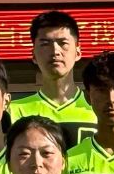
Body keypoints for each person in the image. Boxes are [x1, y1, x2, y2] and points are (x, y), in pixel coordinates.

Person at [11, 10, 98, 149]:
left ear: (78, 52)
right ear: (33, 55)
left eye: (63, 43)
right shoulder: (13, 111)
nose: (55, 51)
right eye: (45, 44)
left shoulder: (98, 108)